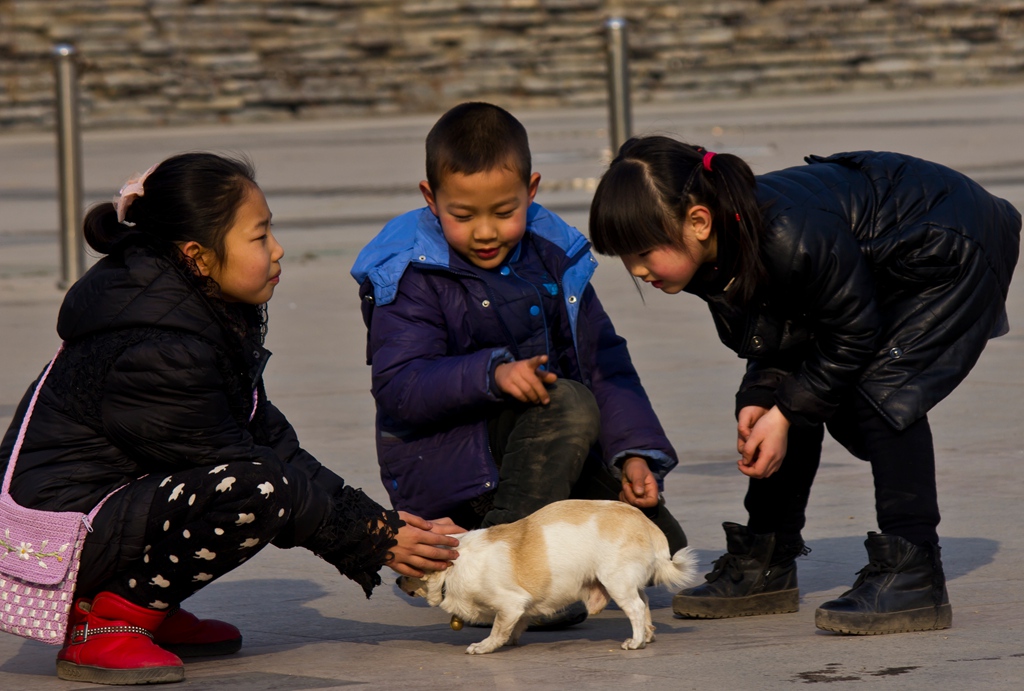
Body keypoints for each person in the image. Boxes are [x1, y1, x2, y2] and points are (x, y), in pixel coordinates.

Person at [0, 152, 461, 685]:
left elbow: (273, 443)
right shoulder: (158, 345)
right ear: (197, 255)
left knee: (263, 479)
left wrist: (380, 524)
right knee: (254, 491)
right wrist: (371, 538)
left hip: (98, 512)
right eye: (259, 236)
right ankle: (107, 622)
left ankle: (146, 607)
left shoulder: (191, 311)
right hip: (55, 538)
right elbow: (244, 467)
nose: (278, 249)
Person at [588, 136, 1021, 635]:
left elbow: (853, 332)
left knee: (882, 392)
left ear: (698, 221)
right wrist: (760, 400)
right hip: (882, 256)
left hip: (950, 247)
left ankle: (914, 569)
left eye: (643, 252)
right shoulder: (719, 247)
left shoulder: (787, 235)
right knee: (789, 394)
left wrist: (787, 414)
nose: (638, 271)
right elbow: (779, 334)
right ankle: (767, 560)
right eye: (625, 258)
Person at [350, 103, 687, 627]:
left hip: (542, 453)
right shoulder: (411, 275)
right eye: (462, 215)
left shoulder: (554, 256)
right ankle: (492, 576)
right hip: (454, 470)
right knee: (567, 403)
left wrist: (632, 455)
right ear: (430, 198)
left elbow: (605, 364)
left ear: (531, 191)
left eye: (504, 212)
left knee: (658, 546)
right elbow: (400, 386)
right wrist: (492, 374)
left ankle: (545, 563)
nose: (485, 231)